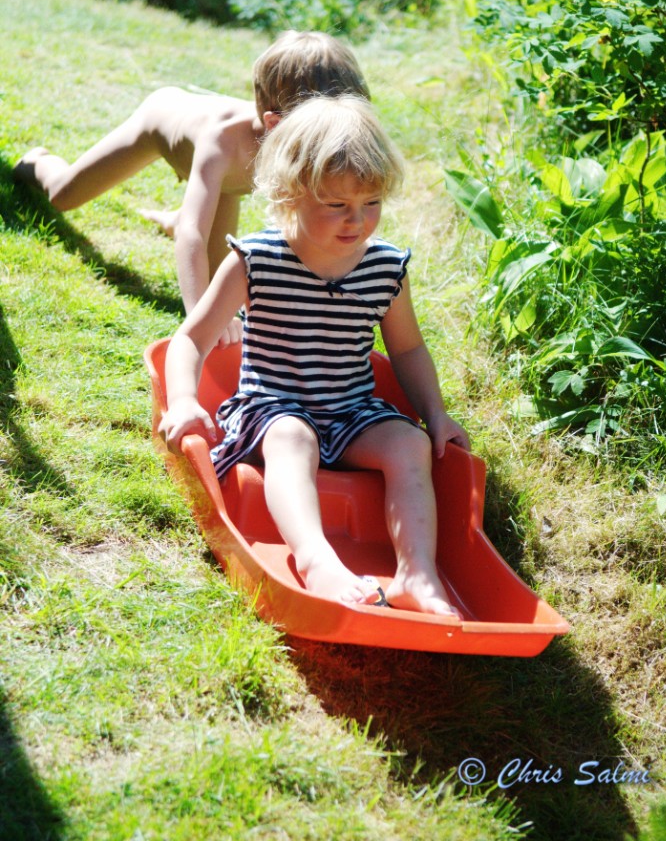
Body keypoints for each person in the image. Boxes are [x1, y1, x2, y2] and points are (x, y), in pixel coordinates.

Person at [157, 94, 470, 615]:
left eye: (372, 203)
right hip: (271, 409)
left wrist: (435, 415)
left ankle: (417, 574)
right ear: (290, 194)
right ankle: (317, 561)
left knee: (409, 444)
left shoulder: (385, 268)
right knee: (292, 436)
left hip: (350, 411)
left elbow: (408, 349)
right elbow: (190, 339)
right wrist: (185, 400)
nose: (357, 221)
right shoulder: (257, 259)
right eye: (336, 205)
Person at [13, 31, 370, 343]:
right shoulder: (222, 143)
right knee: (64, 195)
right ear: (275, 124)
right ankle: (38, 161)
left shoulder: (312, 143)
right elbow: (193, 234)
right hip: (160, 121)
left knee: (218, 284)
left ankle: (175, 215)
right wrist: (199, 320)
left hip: (229, 185)